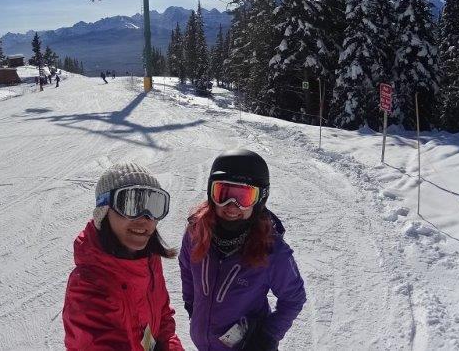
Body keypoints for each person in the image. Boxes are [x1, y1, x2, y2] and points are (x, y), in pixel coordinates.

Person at [179, 149, 306, 351]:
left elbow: (294, 297)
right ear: (211, 193)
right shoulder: (196, 233)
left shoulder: (271, 250)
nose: (232, 206)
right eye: (223, 194)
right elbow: (186, 267)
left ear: (259, 199)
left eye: (243, 197)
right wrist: (191, 304)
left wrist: (268, 335)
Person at [63, 163, 184, 351]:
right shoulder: (88, 284)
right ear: (104, 210)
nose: (145, 218)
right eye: (131, 204)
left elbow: (163, 316)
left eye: (153, 206)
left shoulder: (150, 259)